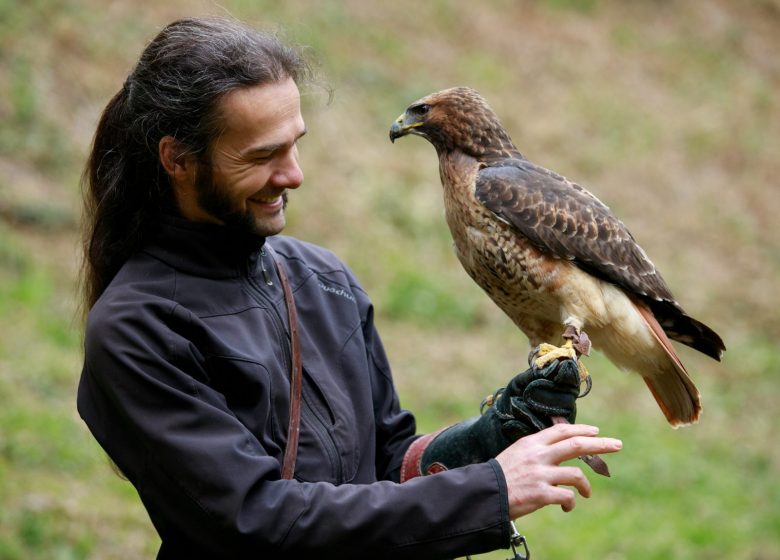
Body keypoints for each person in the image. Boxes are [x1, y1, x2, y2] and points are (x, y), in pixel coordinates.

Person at [77, 16, 622, 559]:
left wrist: (490, 439)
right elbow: (254, 521)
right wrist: (489, 490)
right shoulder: (137, 328)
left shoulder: (323, 282)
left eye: (294, 145)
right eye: (262, 156)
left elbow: (387, 468)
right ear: (178, 159)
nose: (294, 175)